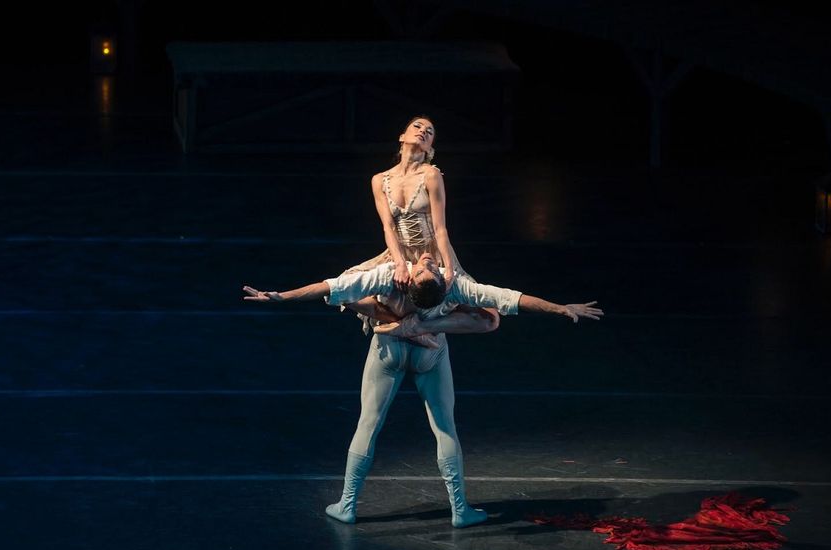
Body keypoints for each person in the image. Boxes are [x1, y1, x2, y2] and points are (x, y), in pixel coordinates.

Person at [243, 254, 602, 528]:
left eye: (427, 266)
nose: (427, 259)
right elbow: (510, 299)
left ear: (413, 279)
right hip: (431, 351)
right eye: (427, 265)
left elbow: (330, 287)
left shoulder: (393, 274)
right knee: (444, 426)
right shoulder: (452, 284)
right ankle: (459, 509)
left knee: (369, 423)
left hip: (389, 350)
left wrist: (280, 297)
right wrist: (559, 308)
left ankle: (347, 505)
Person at [342, 116, 500, 339]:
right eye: (417, 126)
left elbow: (440, 228)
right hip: (399, 253)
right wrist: (399, 264)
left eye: (430, 131)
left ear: (430, 147)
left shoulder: (431, 174)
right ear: (402, 136)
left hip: (433, 254)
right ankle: (402, 325)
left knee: (490, 318)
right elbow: (388, 227)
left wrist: (449, 269)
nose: (423, 131)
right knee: (344, 288)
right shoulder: (379, 180)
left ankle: (422, 327)